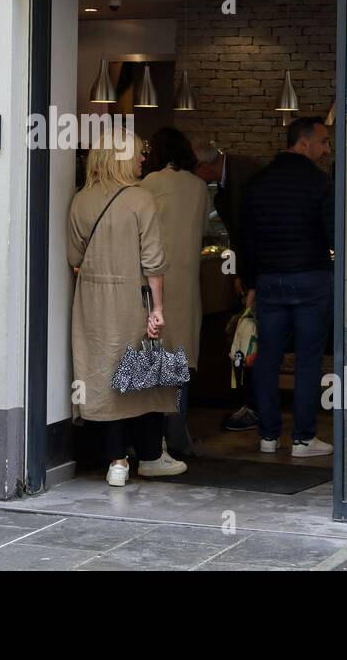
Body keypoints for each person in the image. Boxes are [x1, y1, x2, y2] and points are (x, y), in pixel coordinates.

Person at [68, 136, 185, 486]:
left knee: (102, 375)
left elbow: (74, 258)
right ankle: (150, 456)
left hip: (90, 300)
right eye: (138, 155)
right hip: (134, 297)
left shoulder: (80, 200)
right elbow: (153, 260)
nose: (142, 160)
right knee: (145, 375)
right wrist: (159, 307)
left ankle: (116, 461)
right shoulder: (140, 198)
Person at [239, 117, 335, 458]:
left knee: (267, 359)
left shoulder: (258, 183)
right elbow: (332, 234)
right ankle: (303, 439)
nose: (327, 149)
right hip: (311, 279)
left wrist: (251, 282)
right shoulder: (319, 183)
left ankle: (268, 437)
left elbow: (246, 240)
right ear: (303, 143)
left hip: (269, 282)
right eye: (323, 142)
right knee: (308, 361)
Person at [141, 127, 210, 460]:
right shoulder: (199, 188)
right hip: (188, 284)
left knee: (152, 362)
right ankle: (178, 434)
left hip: (154, 282)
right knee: (180, 363)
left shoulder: (148, 185)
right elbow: (207, 230)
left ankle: (151, 440)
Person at [192, 138, 266, 432]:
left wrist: (252, 280)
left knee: (251, 339)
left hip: (262, 273)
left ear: (204, 166)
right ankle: (253, 404)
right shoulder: (232, 176)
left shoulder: (244, 175)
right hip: (255, 272)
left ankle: (255, 406)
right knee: (247, 338)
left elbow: (252, 231)